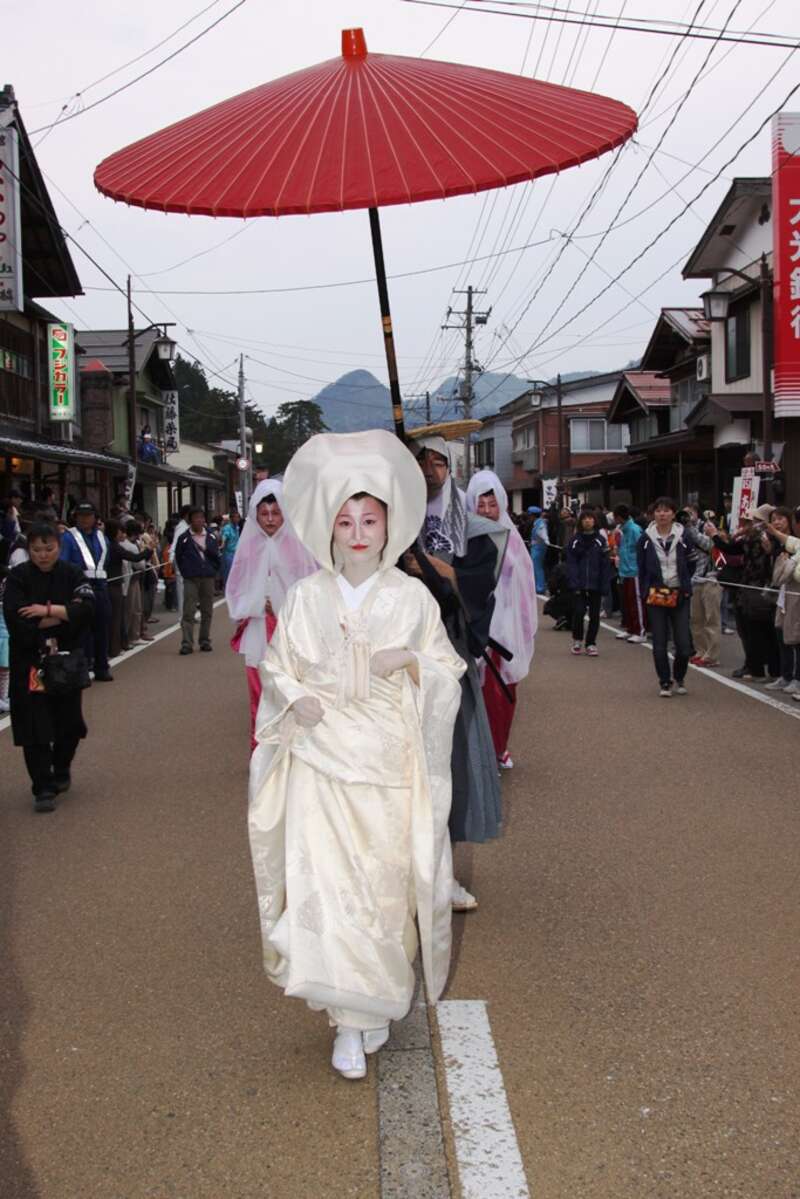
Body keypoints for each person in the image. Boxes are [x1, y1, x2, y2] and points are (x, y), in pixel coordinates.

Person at [248, 430, 465, 1081]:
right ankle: (346, 1023)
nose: (358, 531)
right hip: (321, 763)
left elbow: (447, 672)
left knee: (381, 894)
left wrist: (412, 661)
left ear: (389, 524)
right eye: (345, 520)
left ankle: (373, 1008)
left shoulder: (412, 597)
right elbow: (277, 664)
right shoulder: (307, 597)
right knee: (329, 894)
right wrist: (294, 698)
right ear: (328, 529)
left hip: (389, 767)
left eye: (370, 518)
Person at [410, 434, 507, 911]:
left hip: (445, 658)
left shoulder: (472, 528)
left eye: (437, 462)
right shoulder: (389, 520)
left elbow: (472, 589)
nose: (429, 470)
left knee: (445, 766)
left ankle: (443, 875)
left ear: (451, 470)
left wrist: (430, 567)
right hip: (393, 663)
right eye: (420, 461)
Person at [3, 522, 95, 811]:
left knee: (69, 722)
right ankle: (42, 786)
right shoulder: (17, 578)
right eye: (36, 550)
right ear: (28, 550)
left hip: (65, 658)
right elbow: (17, 619)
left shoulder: (72, 573)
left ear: (59, 546)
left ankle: (61, 766)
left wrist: (47, 611)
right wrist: (64, 613)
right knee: (34, 724)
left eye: (49, 548)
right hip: (30, 662)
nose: (43, 555)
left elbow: (88, 609)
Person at [225, 481, 316, 750]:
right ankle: (262, 749)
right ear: (255, 515)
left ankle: (296, 749)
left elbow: (310, 585)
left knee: (295, 689)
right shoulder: (249, 547)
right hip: (258, 629)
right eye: (264, 514)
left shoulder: (297, 546)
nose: (270, 520)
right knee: (260, 691)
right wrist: (255, 603)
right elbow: (237, 587)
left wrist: (282, 604)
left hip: (292, 630)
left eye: (275, 513)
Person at [466, 470, 537, 770]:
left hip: (504, 631)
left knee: (502, 692)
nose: (485, 511)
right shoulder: (464, 539)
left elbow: (525, 588)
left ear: (502, 505)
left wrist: (521, 628)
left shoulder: (515, 541)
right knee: (474, 693)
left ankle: (499, 747)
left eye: (491, 505)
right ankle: (477, 752)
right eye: (480, 505)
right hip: (474, 629)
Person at [637, 497, 694, 697]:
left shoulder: (684, 536)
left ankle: (679, 676)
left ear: (673, 513)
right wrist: (645, 591)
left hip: (679, 593)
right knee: (659, 642)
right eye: (658, 511)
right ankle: (665, 681)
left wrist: (686, 584)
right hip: (657, 594)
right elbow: (641, 568)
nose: (662, 514)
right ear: (653, 514)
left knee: (683, 644)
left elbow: (691, 562)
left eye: (666, 510)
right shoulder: (645, 538)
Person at [59, 500, 113, 682]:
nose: (84, 519)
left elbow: (106, 560)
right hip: (80, 588)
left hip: (101, 587)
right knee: (81, 631)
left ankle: (102, 667)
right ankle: (82, 669)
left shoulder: (101, 537)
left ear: (95, 517)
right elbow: (64, 563)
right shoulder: (68, 537)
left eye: (88, 515)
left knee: (102, 628)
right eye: (81, 516)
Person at [764, 508, 800, 694]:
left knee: (796, 637)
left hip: (796, 595)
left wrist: (789, 565)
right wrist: (773, 534)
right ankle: (786, 675)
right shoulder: (794, 543)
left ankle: (797, 678)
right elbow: (789, 541)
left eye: (781, 519)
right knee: (781, 632)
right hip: (785, 595)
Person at [174, 508, 219, 654]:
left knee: (207, 610)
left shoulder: (211, 536)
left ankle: (204, 640)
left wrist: (212, 570)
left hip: (207, 577)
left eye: (201, 518)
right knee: (189, 610)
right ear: (190, 520)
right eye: (196, 518)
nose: (199, 520)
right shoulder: (184, 538)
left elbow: (216, 556)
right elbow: (179, 557)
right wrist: (186, 571)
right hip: (191, 578)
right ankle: (187, 643)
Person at [566, 509, 610, 657]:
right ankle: (577, 640)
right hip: (579, 584)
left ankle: (591, 643)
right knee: (578, 612)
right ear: (580, 521)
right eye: (584, 519)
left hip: (595, 584)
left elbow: (605, 564)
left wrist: (604, 584)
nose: (587, 521)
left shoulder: (601, 540)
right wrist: (574, 583)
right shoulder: (574, 541)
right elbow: (571, 564)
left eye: (590, 518)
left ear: (595, 521)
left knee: (594, 615)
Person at [613, 504, 645, 642]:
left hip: (635, 570)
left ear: (619, 517)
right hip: (625, 569)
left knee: (636, 602)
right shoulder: (623, 530)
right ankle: (630, 628)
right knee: (627, 601)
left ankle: (640, 631)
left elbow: (641, 550)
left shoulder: (634, 530)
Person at [529, 505, 548, 594]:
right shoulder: (537, 523)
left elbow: (543, 535)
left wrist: (546, 540)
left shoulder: (540, 524)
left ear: (532, 515)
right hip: (535, 547)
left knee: (538, 567)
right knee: (535, 567)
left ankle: (540, 587)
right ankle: (537, 585)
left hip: (539, 548)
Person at [219, 511, 241, 586]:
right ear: (231, 518)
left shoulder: (237, 527)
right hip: (228, 554)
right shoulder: (227, 528)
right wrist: (222, 544)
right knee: (228, 573)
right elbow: (224, 536)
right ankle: (227, 590)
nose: (237, 519)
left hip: (236, 553)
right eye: (235, 517)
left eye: (238, 517)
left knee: (236, 573)